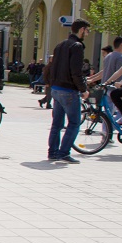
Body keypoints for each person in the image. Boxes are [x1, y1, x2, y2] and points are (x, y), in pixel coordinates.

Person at [46, 19, 90, 163]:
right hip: (68, 89)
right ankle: (64, 153)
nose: (88, 34)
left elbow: (53, 67)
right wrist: (83, 89)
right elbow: (76, 72)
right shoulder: (77, 46)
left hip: (56, 88)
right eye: (87, 31)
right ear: (82, 29)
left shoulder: (60, 45)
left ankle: (52, 152)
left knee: (56, 124)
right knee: (74, 123)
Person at [87, 37, 122, 118]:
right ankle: (114, 127)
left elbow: (104, 71)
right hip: (115, 88)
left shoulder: (108, 56)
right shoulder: (121, 57)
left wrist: (92, 79)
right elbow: (119, 73)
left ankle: (106, 129)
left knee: (108, 111)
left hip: (106, 88)